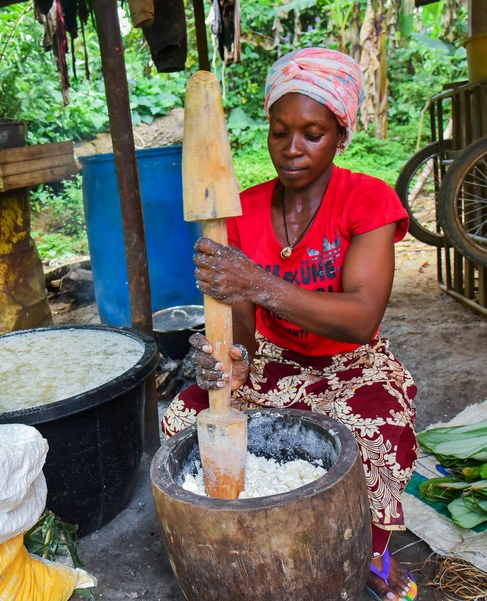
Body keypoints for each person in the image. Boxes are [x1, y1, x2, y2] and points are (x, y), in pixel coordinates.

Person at [161, 48, 419, 601]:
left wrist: (257, 282)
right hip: (275, 361)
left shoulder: (367, 199)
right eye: (280, 132)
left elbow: (360, 318)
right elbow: (244, 333)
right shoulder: (243, 210)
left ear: (341, 134)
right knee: (186, 414)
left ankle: (366, 549)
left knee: (376, 422)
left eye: (312, 133)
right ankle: (238, 543)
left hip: (349, 362)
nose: (293, 149)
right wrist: (225, 356)